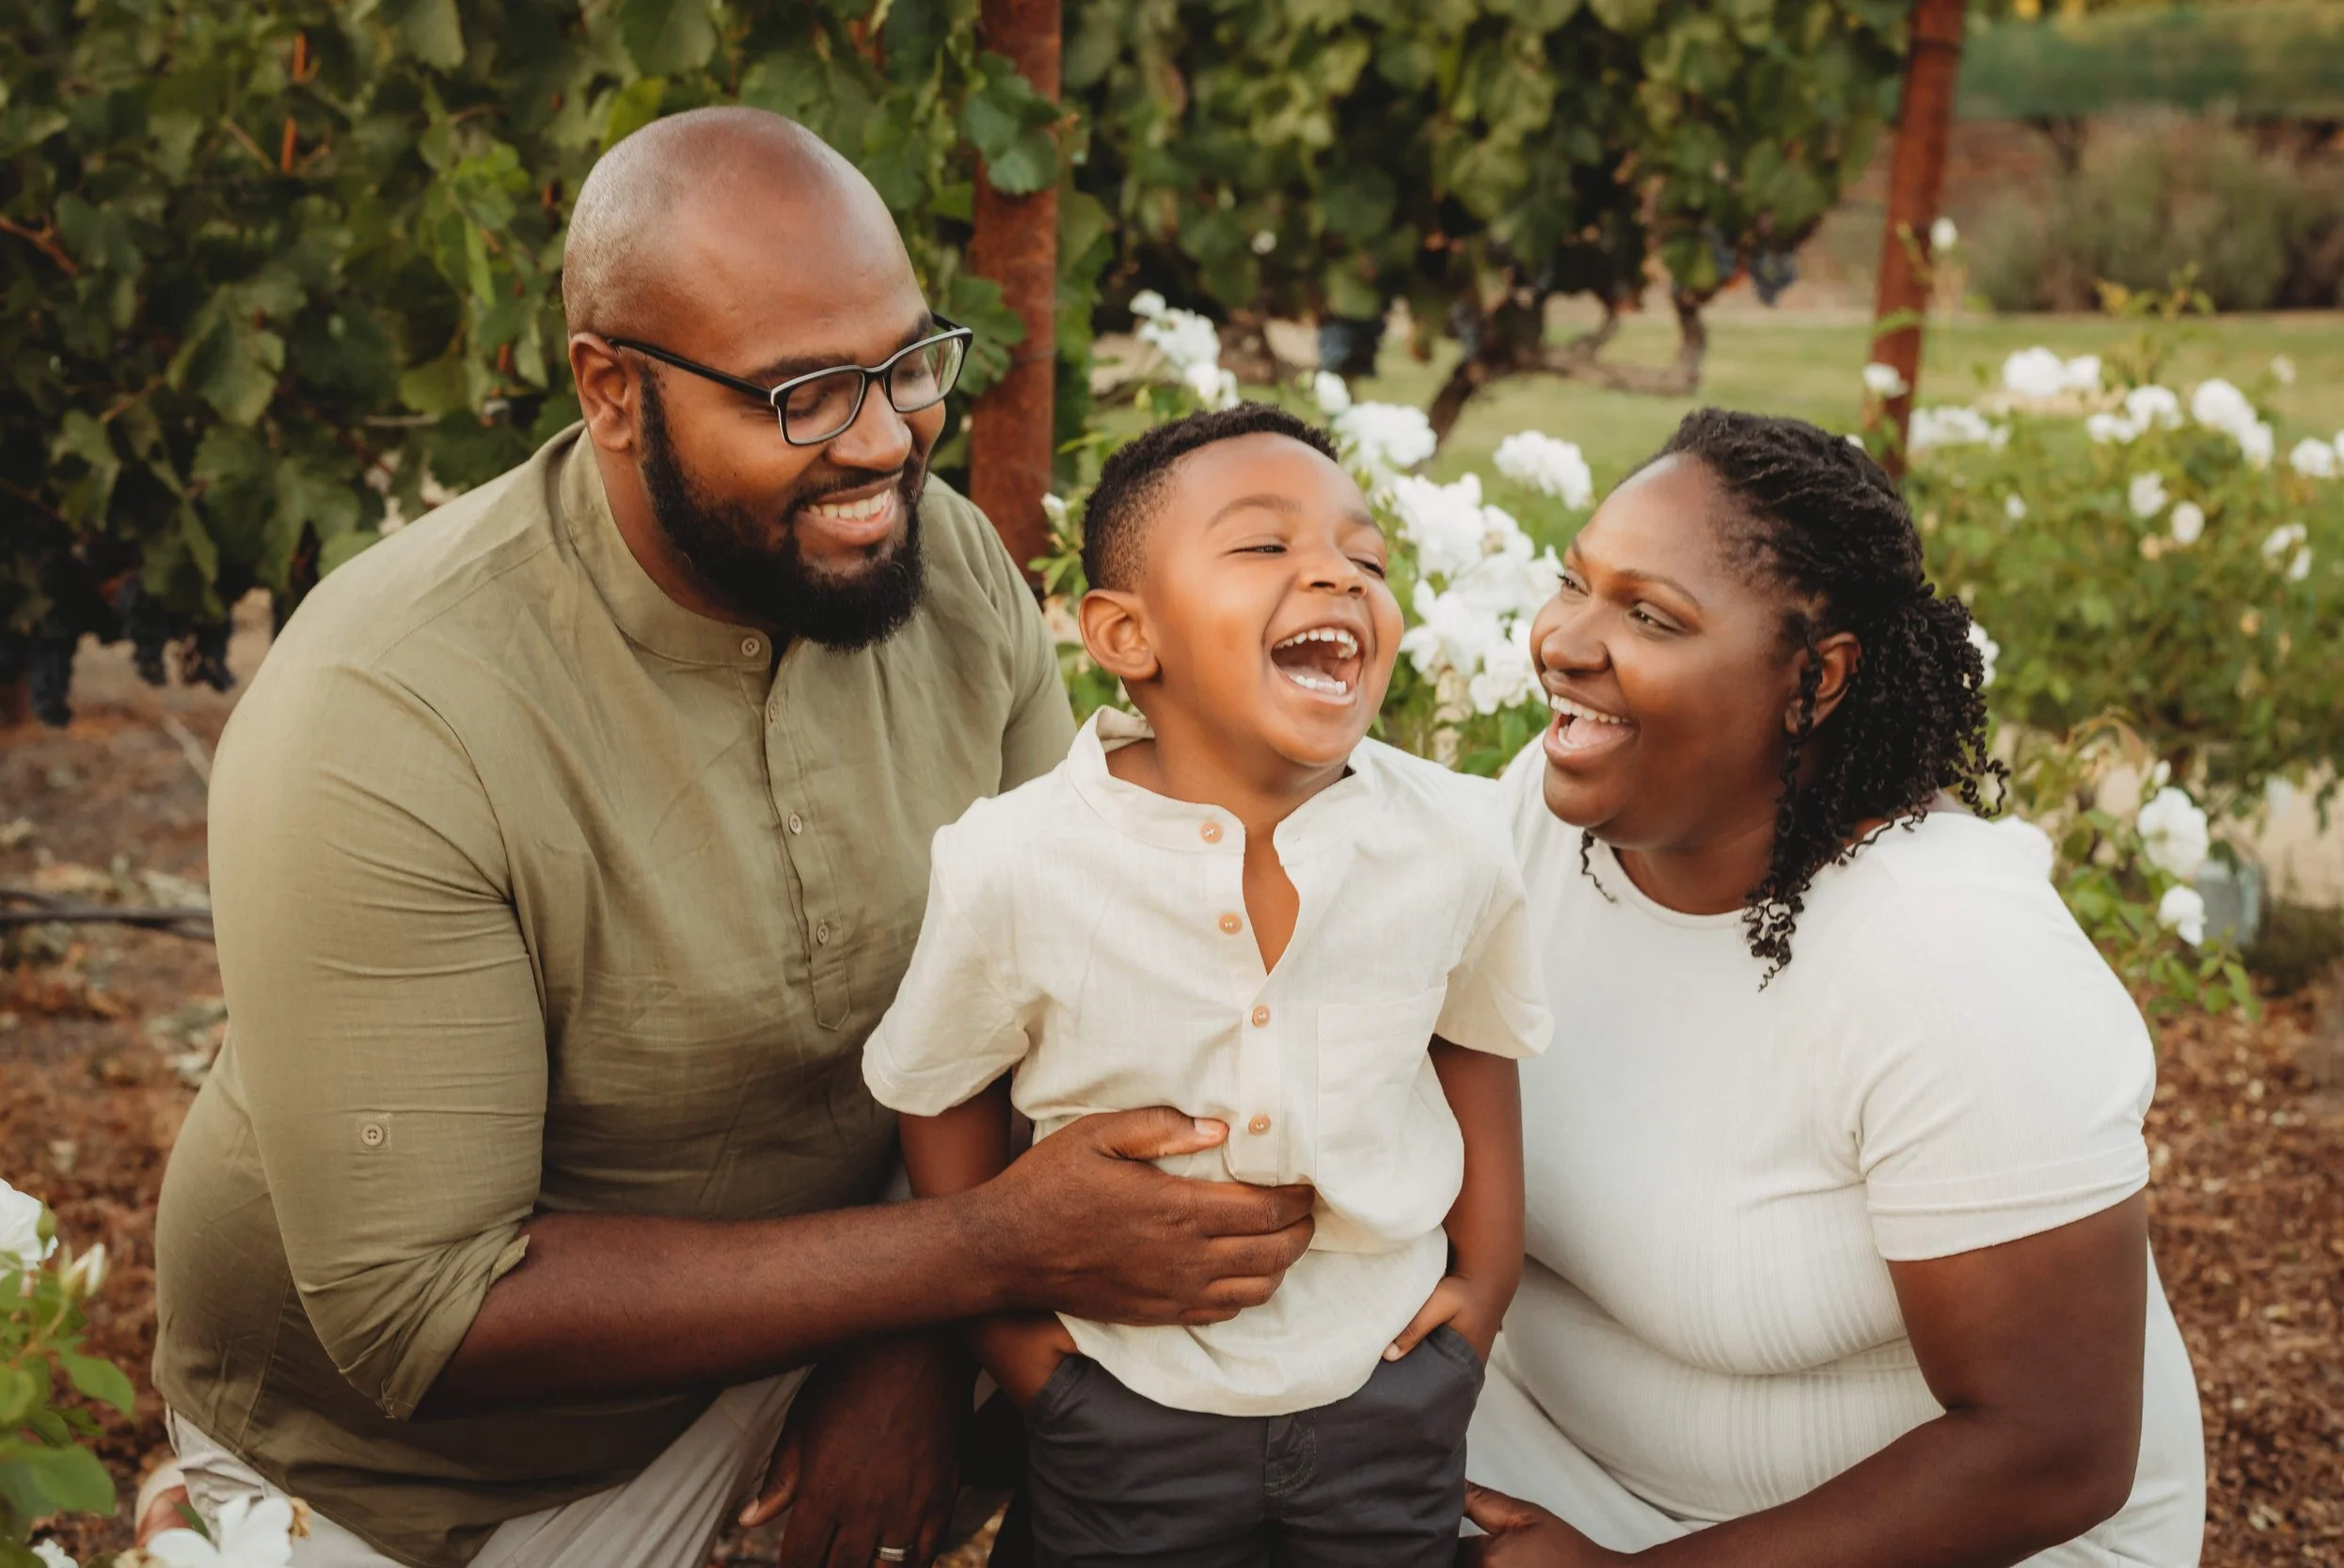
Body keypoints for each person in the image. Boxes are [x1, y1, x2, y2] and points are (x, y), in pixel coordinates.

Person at [150, 109, 1318, 1568]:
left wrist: (902, 1350)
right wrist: (976, 1255)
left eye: (907, 365)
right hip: (417, 1477)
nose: (887, 437)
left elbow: (1073, 999)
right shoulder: (391, 712)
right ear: (613, 388)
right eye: (807, 394)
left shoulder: (940, 570)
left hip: (835, 1306)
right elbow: (425, 1312)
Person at [1459, 409, 2205, 1567]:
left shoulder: (1947, 954)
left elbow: (2055, 1446)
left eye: (1650, 615)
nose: (1564, 640)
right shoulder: (1548, 813)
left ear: (1818, 674)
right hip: (1550, 1464)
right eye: (1574, 582)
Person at [860, 405, 1554, 1566]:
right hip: (1120, 1398)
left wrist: (1482, 1288)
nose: (1335, 572)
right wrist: (1007, 1330)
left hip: (1385, 1383)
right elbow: (937, 1082)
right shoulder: (1015, 857)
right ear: (1127, 634)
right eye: (1264, 546)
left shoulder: (1455, 840)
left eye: (1366, 559)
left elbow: (1474, 1042)